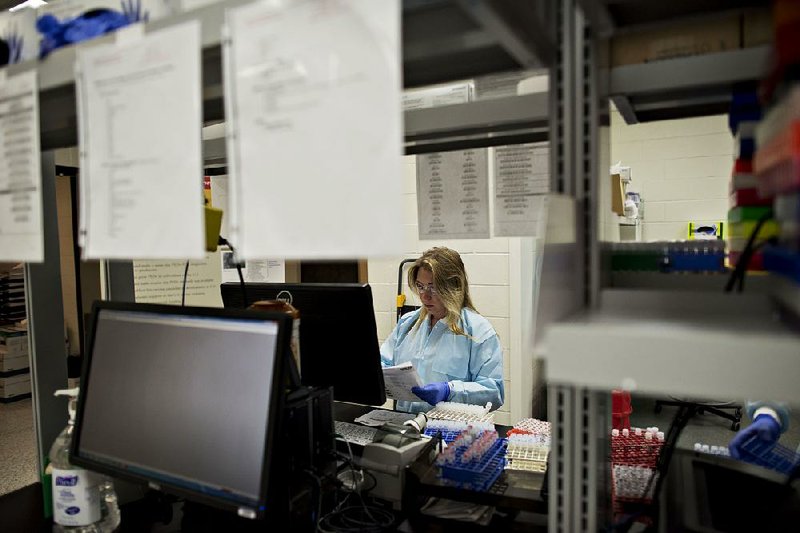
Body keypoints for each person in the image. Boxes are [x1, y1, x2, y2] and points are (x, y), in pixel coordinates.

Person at [380, 246, 504, 414]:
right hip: (407, 425)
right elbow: (383, 363)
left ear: (454, 286)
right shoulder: (408, 323)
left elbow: (494, 392)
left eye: (433, 287)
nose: (424, 296)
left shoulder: (478, 331)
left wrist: (449, 391)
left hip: (451, 430)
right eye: (420, 286)